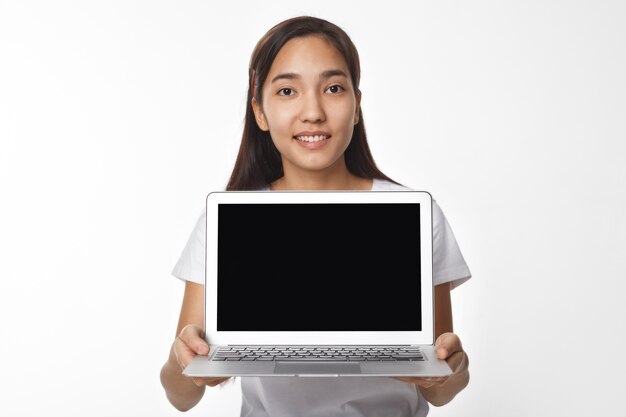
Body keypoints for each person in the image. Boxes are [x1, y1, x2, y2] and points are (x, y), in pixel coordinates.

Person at [160, 15, 472, 417]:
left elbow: (440, 388)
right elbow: (181, 395)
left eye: (334, 88)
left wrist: (452, 371)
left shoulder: (415, 216)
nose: (313, 111)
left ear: (357, 106)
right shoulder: (226, 221)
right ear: (259, 111)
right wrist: (185, 364)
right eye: (288, 90)